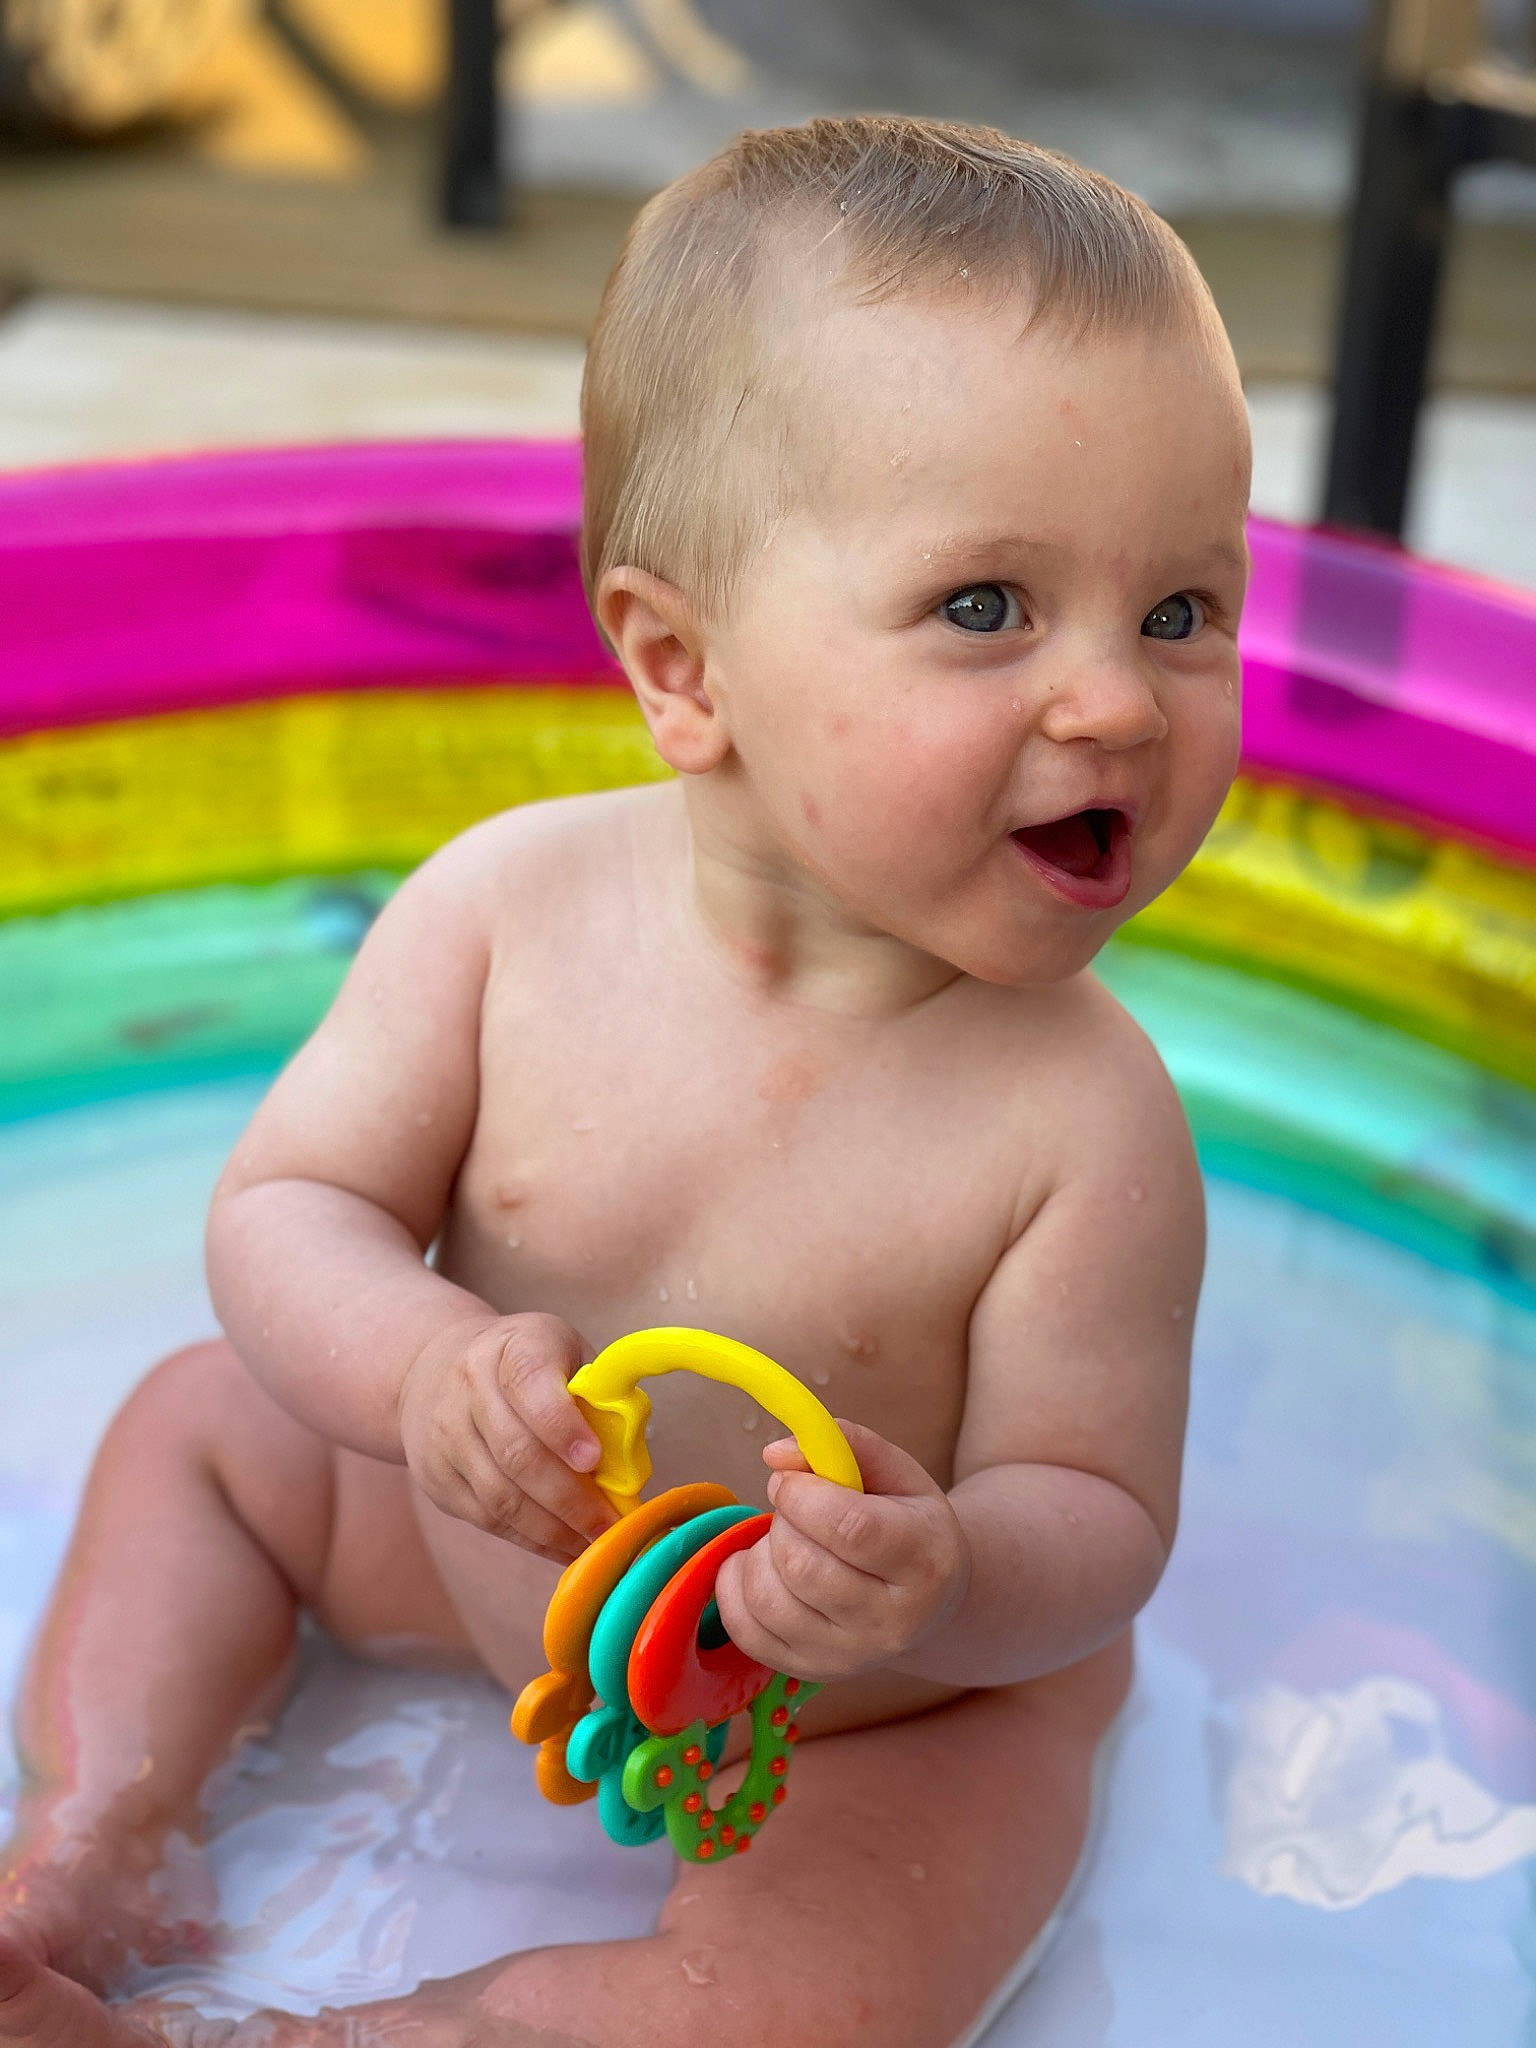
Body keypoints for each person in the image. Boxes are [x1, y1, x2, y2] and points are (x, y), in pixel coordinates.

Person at [0, 112, 1249, 2048]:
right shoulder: (507, 911)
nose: (1116, 698)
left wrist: (943, 1577)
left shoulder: (1081, 1122)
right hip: (480, 1540)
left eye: (1182, 611)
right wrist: (420, 1369)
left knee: (812, 2004)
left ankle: (275, 2040)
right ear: (684, 664)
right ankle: (92, 1846)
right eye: (988, 607)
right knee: (203, 1428)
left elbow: (1099, 1520)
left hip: (863, 1716)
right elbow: (289, 1211)